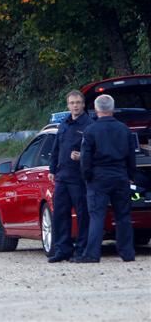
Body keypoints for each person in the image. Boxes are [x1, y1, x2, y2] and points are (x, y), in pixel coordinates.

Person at [74, 94, 137, 263]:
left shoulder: (91, 130)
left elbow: (86, 158)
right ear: (112, 109)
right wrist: (130, 176)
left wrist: (87, 176)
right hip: (120, 176)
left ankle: (92, 254)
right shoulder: (124, 129)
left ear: (96, 109)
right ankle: (127, 253)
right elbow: (132, 156)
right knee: (123, 216)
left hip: (98, 178)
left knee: (96, 216)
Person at [46, 90, 92, 262]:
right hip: (62, 177)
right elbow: (56, 148)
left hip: (79, 178)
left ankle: (81, 250)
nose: (75, 106)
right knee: (60, 214)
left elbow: (96, 151)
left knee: (82, 214)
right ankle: (62, 249)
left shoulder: (89, 124)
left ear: (83, 104)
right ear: (68, 105)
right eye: (72, 103)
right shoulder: (64, 124)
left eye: (78, 102)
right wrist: (52, 169)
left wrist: (82, 156)